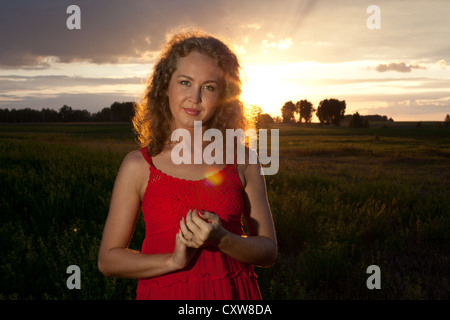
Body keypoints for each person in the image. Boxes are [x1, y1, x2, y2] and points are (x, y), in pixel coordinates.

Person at [97, 30, 277, 300]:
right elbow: (108, 260)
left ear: (224, 96)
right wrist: (173, 261)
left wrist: (223, 239)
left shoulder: (244, 159)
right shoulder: (138, 165)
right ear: (165, 86)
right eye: (185, 82)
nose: (195, 98)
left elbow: (268, 251)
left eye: (209, 87)